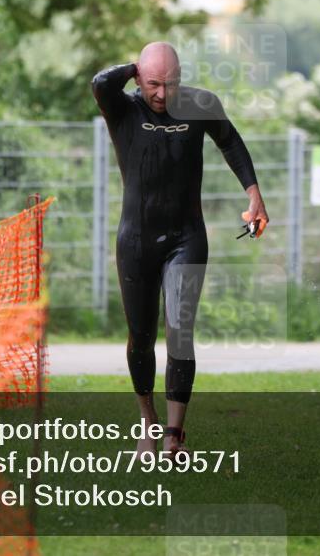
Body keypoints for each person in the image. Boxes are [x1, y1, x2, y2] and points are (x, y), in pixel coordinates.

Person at [91, 42, 268, 457]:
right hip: (135, 240)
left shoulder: (200, 105)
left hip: (186, 236)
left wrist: (254, 195)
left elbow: (232, 142)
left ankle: (174, 434)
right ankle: (148, 424)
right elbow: (100, 83)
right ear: (139, 78)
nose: (160, 94)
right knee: (140, 337)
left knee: (180, 333)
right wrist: (135, 67)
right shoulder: (124, 109)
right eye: (152, 83)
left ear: (181, 79)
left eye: (170, 84)